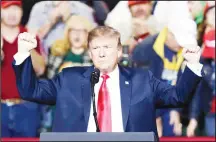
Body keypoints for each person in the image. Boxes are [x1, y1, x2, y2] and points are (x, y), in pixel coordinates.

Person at [12, 26, 203, 139]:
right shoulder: (68, 79)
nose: (101, 53)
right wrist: (23, 54)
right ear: (90, 53)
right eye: (96, 48)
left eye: (107, 47)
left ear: (119, 52)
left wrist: (192, 64)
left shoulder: (142, 79)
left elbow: (178, 97)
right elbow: (31, 91)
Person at [1, 1, 45, 137]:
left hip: (27, 108)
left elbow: (40, 70)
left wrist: (28, 48)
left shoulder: (29, 35)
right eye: (7, 8)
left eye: (16, 8)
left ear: (21, 12)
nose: (12, 13)